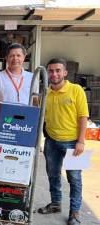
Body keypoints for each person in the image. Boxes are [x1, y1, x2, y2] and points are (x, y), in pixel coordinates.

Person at [38, 58, 88, 225]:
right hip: (51, 141)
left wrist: (81, 141)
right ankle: (55, 204)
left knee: (74, 179)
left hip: (73, 143)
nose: (54, 74)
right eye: (51, 71)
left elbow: (83, 116)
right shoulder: (46, 92)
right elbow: (41, 117)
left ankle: (74, 213)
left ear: (65, 72)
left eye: (58, 70)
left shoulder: (76, 90)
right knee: (53, 175)